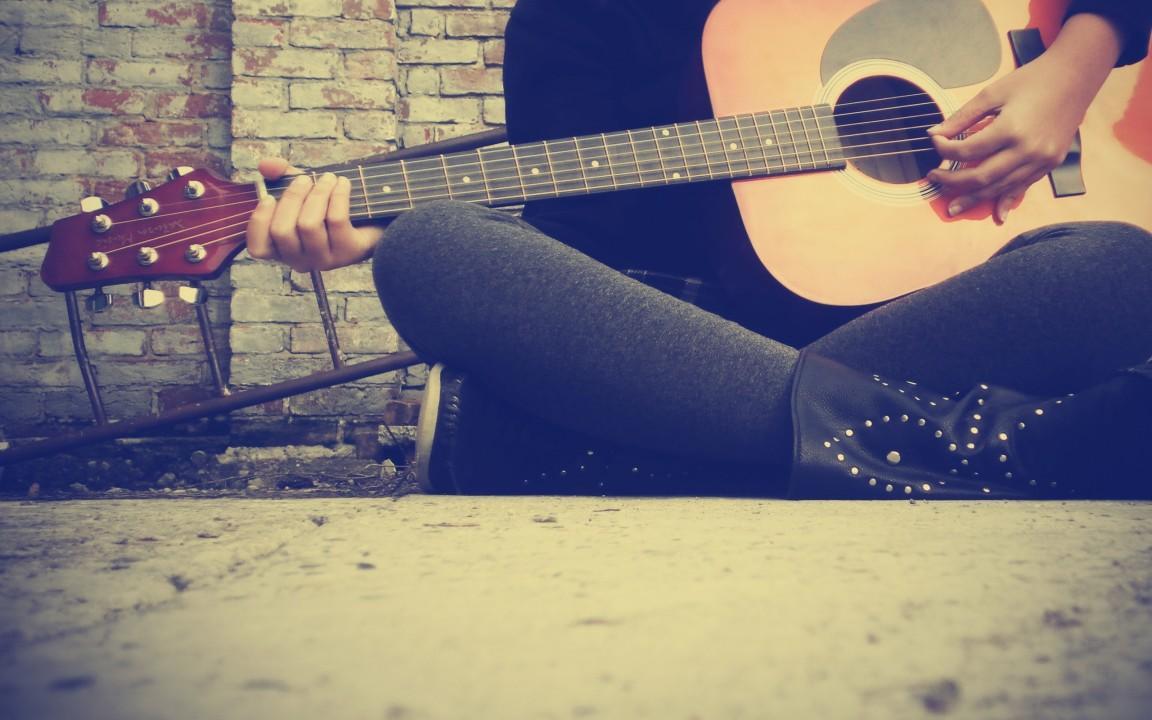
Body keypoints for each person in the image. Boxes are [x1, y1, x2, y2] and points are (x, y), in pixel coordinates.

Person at [246, 0, 1152, 499]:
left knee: (1121, 268)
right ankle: (1018, 445)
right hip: (708, 339)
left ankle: (647, 458)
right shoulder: (571, 20)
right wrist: (375, 219)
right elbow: (588, 262)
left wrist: (1068, 75)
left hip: (933, 313)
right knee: (432, 249)